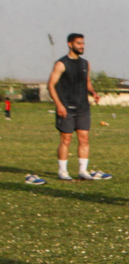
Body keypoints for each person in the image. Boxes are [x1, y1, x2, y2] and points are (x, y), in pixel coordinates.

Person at [48, 33, 110, 181]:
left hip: (83, 107)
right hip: (66, 107)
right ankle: (63, 171)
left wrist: (93, 92)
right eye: (78, 44)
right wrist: (59, 105)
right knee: (66, 139)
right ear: (70, 44)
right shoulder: (61, 64)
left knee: (84, 139)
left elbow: (87, 82)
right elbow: (50, 85)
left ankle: (83, 171)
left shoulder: (85, 63)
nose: (82, 46)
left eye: (83, 44)